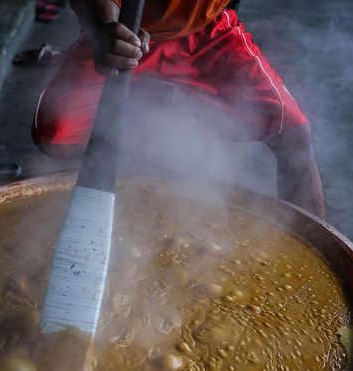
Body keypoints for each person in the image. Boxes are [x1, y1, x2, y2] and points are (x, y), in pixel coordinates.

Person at [31, 0, 326, 218]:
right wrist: (101, 30)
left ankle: (319, 260)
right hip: (127, 33)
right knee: (55, 135)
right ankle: (127, 187)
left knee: (294, 133)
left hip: (210, 33)